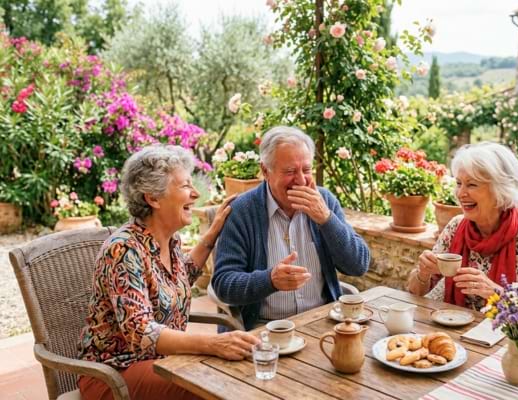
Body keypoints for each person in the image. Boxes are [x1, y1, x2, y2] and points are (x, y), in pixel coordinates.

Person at [77, 145, 259, 400]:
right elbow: (141, 332)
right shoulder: (123, 250)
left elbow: (183, 275)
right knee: (214, 386)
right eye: (185, 186)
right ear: (153, 198)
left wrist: (213, 233)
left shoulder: (168, 242)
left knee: (233, 374)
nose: (195, 193)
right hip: (114, 374)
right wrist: (213, 344)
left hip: (161, 362)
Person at [212, 126, 370, 330]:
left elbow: (359, 266)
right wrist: (269, 280)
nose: (301, 180)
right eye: (290, 172)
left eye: (306, 169)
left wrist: (326, 219)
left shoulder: (325, 202)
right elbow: (224, 285)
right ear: (265, 171)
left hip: (321, 322)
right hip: (264, 329)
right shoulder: (242, 211)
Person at [407, 142, 518, 309]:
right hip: (454, 327)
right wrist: (423, 273)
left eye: (471, 185)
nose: (460, 193)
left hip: (505, 332)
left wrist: (495, 292)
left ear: (500, 190)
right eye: (458, 183)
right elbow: (414, 293)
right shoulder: (456, 227)